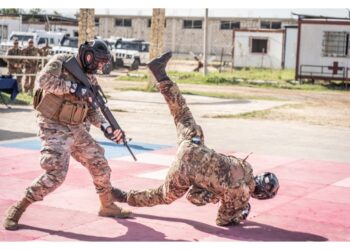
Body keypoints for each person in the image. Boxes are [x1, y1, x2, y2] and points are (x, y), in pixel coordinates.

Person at [113, 52, 280, 226]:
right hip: (185, 173)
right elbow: (222, 220)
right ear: (261, 195)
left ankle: (160, 74)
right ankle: (122, 196)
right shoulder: (242, 198)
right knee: (163, 195)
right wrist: (240, 214)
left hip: (193, 148)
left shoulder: (246, 167)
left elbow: (223, 173)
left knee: (182, 114)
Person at [3, 39, 131, 231]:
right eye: (98, 61)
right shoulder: (62, 61)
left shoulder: (91, 79)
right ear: (87, 55)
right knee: (56, 173)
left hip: (76, 128)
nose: (99, 65)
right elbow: (42, 81)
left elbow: (92, 110)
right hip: (53, 125)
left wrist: (106, 127)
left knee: (99, 162)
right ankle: (18, 208)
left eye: (103, 62)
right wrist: (73, 88)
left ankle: (106, 205)